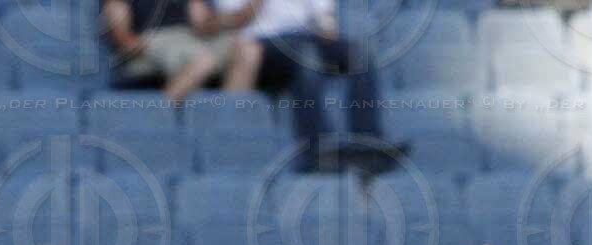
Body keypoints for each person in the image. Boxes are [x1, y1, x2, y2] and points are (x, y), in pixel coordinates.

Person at [217, 0, 399, 173]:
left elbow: (326, 21)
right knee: (307, 58)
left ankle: (368, 144)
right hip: (261, 42)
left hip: (308, 37)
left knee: (360, 55)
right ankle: (317, 150)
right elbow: (231, 20)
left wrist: (326, 29)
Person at [102, 0, 254, 102]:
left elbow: (202, 23)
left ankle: (229, 120)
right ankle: (158, 117)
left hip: (191, 38)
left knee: (248, 50)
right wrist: (151, 49)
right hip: (151, 40)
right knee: (202, 61)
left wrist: (223, 20)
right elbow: (123, 38)